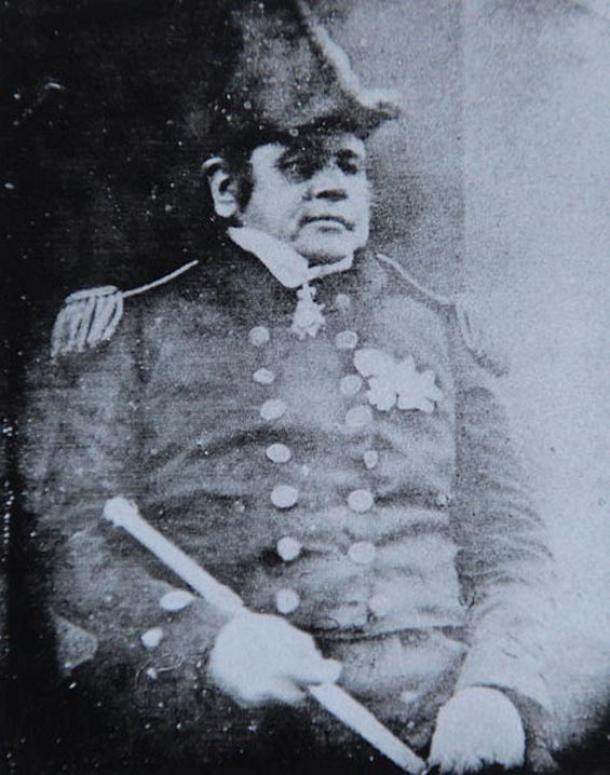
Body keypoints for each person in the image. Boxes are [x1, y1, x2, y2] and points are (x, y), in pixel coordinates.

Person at [20, 1, 557, 773]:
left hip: (438, 718)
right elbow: (74, 544)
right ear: (227, 191)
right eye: (300, 166)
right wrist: (209, 644)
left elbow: (510, 551)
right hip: (231, 722)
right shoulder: (140, 334)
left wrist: (498, 689)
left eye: (349, 165)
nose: (332, 186)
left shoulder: (438, 328)